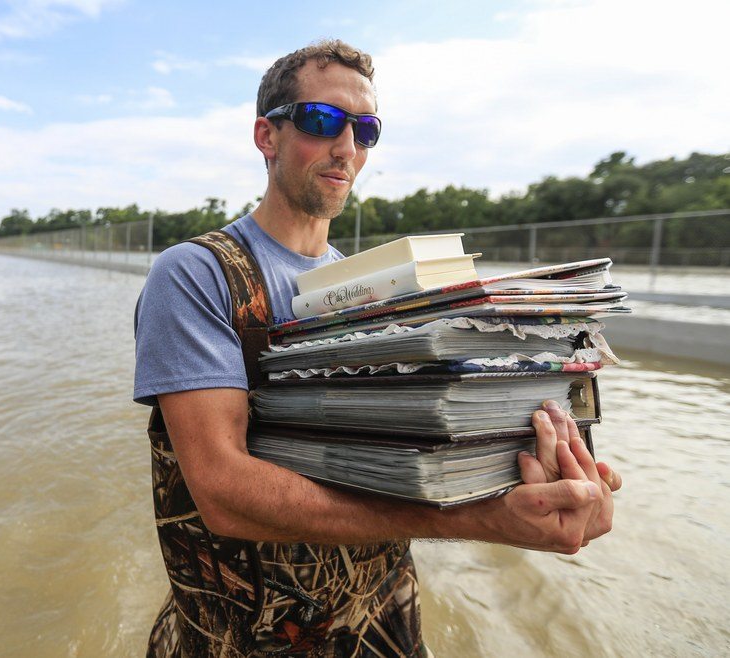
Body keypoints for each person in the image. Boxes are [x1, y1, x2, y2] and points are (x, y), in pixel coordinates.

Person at [134, 39, 621, 658]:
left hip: (381, 619)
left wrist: (551, 483)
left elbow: (421, 434)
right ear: (267, 136)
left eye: (365, 130)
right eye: (321, 121)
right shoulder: (198, 275)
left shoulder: (374, 291)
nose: (347, 149)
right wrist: (474, 522)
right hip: (243, 636)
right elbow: (222, 490)